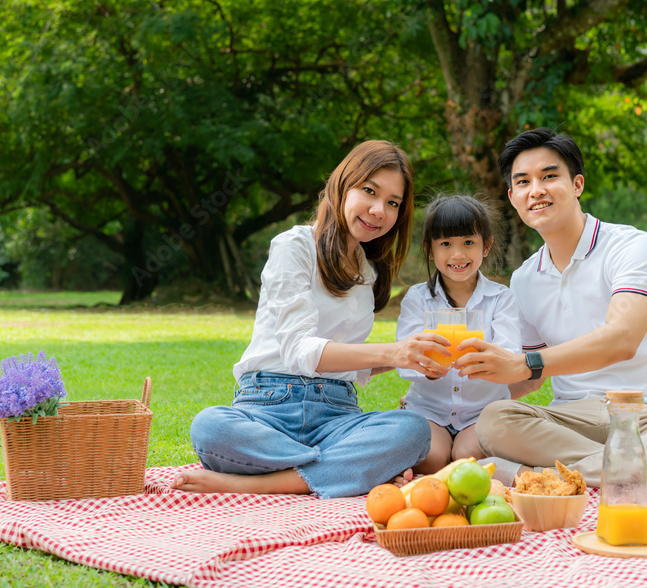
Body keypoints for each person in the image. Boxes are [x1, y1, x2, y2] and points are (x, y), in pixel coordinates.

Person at [457, 128, 647, 491]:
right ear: (513, 197)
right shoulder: (525, 278)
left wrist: (524, 363)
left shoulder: (632, 246)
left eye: (549, 176)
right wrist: (454, 393)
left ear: (577, 184)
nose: (537, 190)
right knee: (494, 420)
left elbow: (621, 339)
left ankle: (533, 478)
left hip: (644, 414)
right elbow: (531, 378)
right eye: (524, 182)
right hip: (568, 418)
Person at [175, 140, 451, 499]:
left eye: (393, 203)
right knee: (211, 426)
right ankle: (346, 469)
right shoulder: (295, 246)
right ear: (342, 185)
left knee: (412, 431)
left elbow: (347, 360)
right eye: (369, 191)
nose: (379, 209)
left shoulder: (367, 274)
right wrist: (394, 353)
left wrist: (411, 357)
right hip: (267, 407)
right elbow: (299, 350)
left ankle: (266, 482)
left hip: (336, 415)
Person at [395, 194, 522, 474]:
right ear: (430, 249)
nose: (457, 254)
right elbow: (404, 361)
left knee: (466, 455)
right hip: (429, 410)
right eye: (445, 244)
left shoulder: (501, 298)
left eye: (468, 242)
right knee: (432, 458)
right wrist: (427, 369)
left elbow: (510, 355)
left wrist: (486, 363)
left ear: (485, 246)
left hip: (482, 412)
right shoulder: (417, 298)